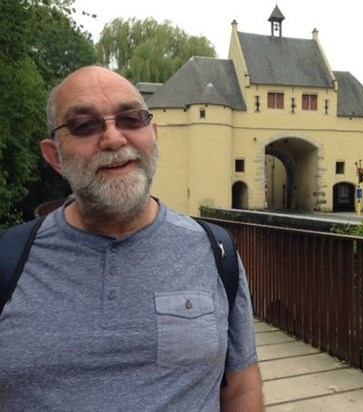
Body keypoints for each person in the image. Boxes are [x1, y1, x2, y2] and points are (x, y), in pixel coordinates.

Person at [0, 65, 263, 411]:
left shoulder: (216, 251)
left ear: (153, 133)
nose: (113, 138)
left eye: (130, 119)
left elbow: (241, 388)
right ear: (55, 157)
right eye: (84, 125)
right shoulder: (9, 260)